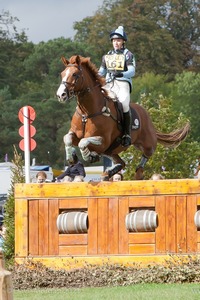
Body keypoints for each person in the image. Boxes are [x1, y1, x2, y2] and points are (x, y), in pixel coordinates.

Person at [98, 25, 136, 147]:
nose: (116, 43)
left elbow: (132, 71)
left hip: (123, 82)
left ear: (123, 42)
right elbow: (101, 72)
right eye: (114, 40)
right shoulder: (107, 56)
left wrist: (121, 73)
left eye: (118, 40)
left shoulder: (128, 54)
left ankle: (126, 134)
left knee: (124, 103)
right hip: (109, 84)